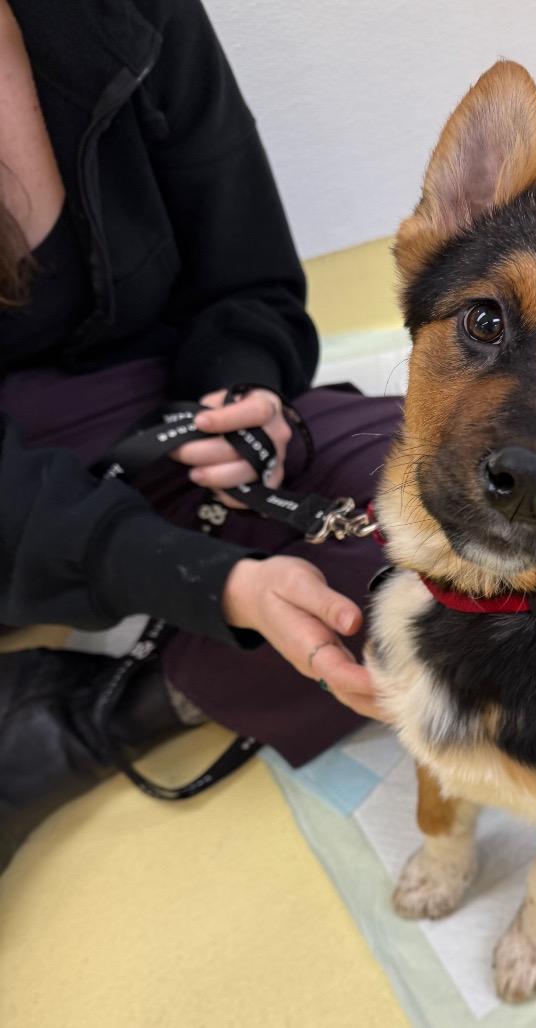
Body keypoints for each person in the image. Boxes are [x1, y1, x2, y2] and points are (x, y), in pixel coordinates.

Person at [0, 0, 400, 872]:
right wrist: (211, 585)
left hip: (160, 405)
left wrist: (244, 393)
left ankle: (120, 701)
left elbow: (248, 278)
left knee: (470, 544)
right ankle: (75, 726)